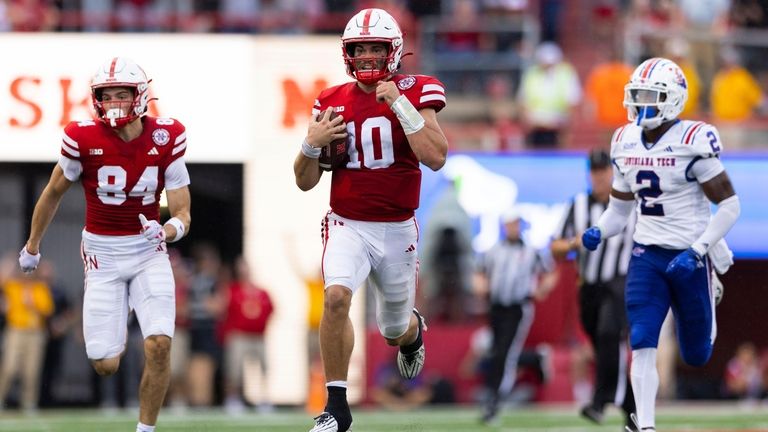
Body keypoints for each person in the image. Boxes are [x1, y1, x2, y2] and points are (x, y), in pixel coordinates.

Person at [293, 8, 448, 432]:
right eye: (358, 48)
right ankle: (336, 407)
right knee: (336, 297)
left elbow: (435, 156)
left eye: (374, 48)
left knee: (393, 328)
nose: (365, 56)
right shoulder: (330, 100)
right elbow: (304, 182)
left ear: (393, 50)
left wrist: (399, 103)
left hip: (398, 227)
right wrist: (310, 145)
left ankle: (412, 333)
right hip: (348, 222)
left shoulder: (417, 90)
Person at [18, 57, 191, 432]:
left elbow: (182, 213)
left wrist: (167, 230)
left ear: (140, 96)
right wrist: (32, 246)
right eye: (106, 95)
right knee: (104, 361)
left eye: (121, 94)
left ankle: (145, 429)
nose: (113, 102)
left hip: (148, 252)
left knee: (159, 344)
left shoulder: (167, 134)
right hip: (103, 253)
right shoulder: (82, 137)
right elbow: (52, 194)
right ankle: (123, 310)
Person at [581, 57, 741, 432]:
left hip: (690, 255)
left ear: (672, 99)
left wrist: (699, 250)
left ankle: (710, 284)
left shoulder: (692, 140)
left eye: (650, 95)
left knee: (697, 353)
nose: (641, 103)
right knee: (640, 338)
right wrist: (600, 230)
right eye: (637, 95)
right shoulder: (623, 141)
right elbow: (620, 212)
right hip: (647, 254)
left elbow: (730, 206)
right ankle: (646, 425)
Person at [551, 148, 637, 428]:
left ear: (613, 172)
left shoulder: (628, 203)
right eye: (595, 171)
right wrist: (576, 243)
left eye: (604, 170)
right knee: (602, 346)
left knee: (609, 333)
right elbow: (556, 247)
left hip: (620, 281)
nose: (599, 177)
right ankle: (631, 406)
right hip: (589, 286)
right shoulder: (578, 205)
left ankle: (600, 402)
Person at [476, 209, 558, 424]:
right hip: (496, 306)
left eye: (516, 224)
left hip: (518, 307)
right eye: (510, 224)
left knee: (505, 352)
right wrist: (481, 286)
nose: (513, 227)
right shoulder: (493, 250)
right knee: (497, 351)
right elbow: (479, 272)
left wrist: (542, 289)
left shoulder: (532, 251)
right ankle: (535, 359)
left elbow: (550, 272)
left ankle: (494, 399)